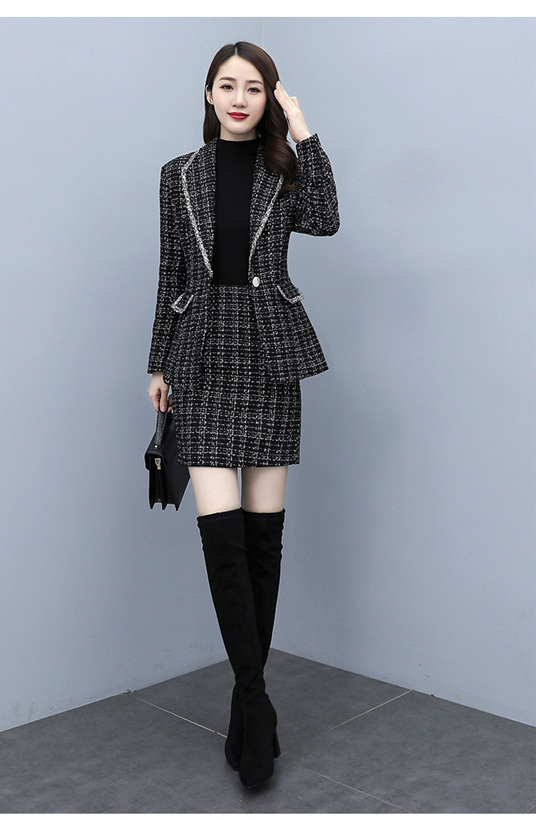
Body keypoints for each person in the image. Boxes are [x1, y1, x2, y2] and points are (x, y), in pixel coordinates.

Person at [147, 41, 339, 788]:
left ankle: (246, 705)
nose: (238, 98)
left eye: (254, 88)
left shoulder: (284, 168)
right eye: (227, 86)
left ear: (269, 98)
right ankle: (255, 700)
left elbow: (325, 219)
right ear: (208, 94)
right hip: (199, 351)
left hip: (269, 350)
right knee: (222, 543)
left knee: (263, 543)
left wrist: (303, 128)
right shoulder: (178, 174)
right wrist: (158, 363)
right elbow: (170, 270)